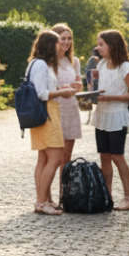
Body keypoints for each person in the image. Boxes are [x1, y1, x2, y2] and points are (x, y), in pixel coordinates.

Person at [25, 31, 77, 216]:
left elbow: (45, 89)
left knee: (43, 159)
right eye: (57, 43)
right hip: (47, 115)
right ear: (50, 45)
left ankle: (42, 201)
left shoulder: (38, 63)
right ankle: (41, 202)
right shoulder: (40, 65)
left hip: (43, 114)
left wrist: (59, 88)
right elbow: (42, 93)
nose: (60, 46)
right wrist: (62, 93)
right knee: (55, 158)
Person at [93, 30, 129, 210]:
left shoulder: (125, 67)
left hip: (117, 115)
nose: (98, 48)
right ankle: (108, 196)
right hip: (101, 115)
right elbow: (98, 89)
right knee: (104, 157)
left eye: (101, 44)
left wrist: (113, 97)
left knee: (117, 156)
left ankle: (128, 198)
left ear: (112, 45)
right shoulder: (101, 65)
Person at [51, 23, 84, 197]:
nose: (66, 42)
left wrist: (77, 86)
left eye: (69, 38)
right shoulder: (48, 61)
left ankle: (64, 195)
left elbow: (78, 84)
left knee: (66, 158)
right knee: (52, 158)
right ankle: (45, 197)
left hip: (71, 109)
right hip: (55, 109)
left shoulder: (74, 61)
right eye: (63, 38)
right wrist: (61, 88)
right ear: (55, 40)